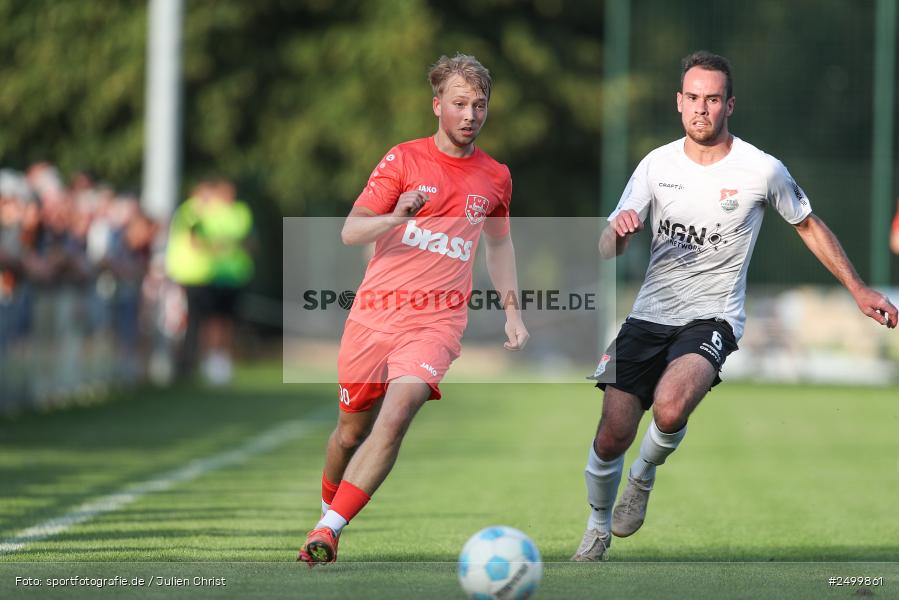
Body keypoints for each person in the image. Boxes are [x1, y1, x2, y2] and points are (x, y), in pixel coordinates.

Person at [571, 51, 898, 562]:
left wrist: (858, 288)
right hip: (648, 315)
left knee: (672, 405)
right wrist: (617, 234)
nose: (702, 108)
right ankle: (596, 528)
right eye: (693, 98)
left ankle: (643, 475)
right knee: (612, 434)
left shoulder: (760, 169)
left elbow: (808, 224)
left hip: (714, 317)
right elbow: (607, 244)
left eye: (713, 99)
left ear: (730, 105)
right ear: (679, 102)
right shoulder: (656, 165)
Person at [297, 53, 529, 566]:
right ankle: (326, 509)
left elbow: (498, 246)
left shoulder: (495, 177)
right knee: (350, 432)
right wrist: (396, 215)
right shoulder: (403, 160)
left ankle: (328, 530)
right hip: (374, 316)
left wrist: (513, 311)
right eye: (460, 103)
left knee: (397, 416)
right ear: (437, 105)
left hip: (437, 323)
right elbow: (351, 230)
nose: (471, 114)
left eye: (480, 105)